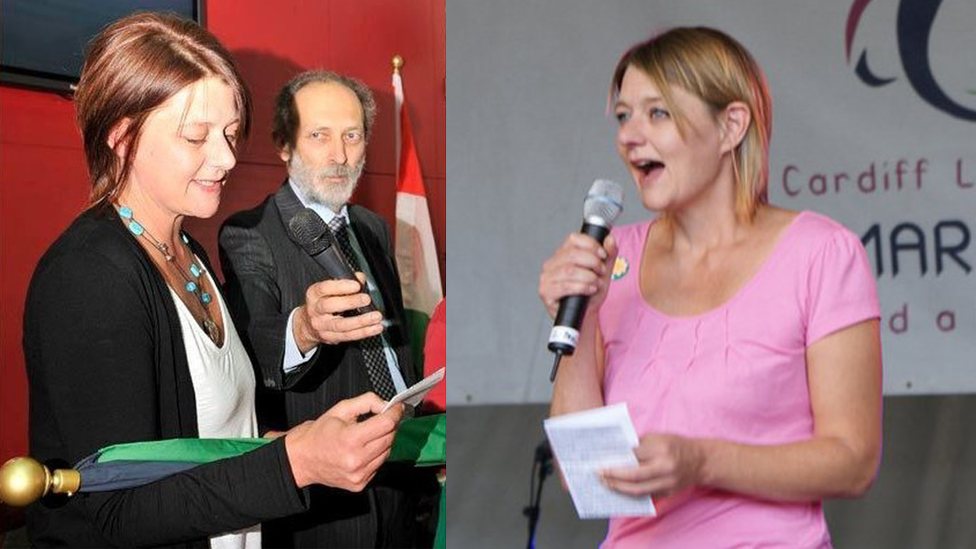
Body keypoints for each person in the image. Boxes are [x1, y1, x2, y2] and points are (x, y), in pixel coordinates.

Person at [23, 13, 403, 548]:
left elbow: (211, 445)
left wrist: (309, 441)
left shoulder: (188, 251)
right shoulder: (89, 277)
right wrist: (295, 462)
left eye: (229, 133)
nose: (225, 158)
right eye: (196, 137)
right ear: (122, 137)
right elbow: (111, 514)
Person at [538, 27, 882, 548]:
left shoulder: (822, 254)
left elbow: (853, 462)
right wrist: (579, 319)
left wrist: (701, 461)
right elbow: (584, 474)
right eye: (624, 115)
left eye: (658, 113)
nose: (630, 136)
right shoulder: (614, 257)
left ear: (731, 126)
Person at [219, 70, 434, 547]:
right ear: (284, 145)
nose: (339, 155)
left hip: (400, 482)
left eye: (352, 136)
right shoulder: (248, 233)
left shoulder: (373, 229)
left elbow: (392, 350)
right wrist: (305, 328)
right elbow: (256, 343)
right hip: (320, 507)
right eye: (319, 136)